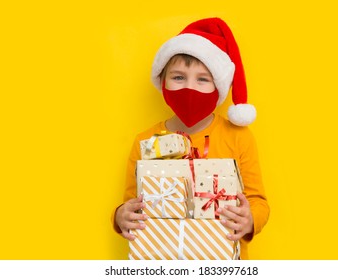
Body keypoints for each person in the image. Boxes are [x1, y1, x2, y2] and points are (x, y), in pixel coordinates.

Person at [112, 17, 270, 260]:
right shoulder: (145, 140)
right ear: (163, 82)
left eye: (203, 79)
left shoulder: (238, 137)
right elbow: (132, 202)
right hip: (163, 260)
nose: (189, 87)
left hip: (223, 260)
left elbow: (258, 201)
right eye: (178, 77)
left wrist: (250, 220)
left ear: (218, 86)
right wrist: (121, 216)